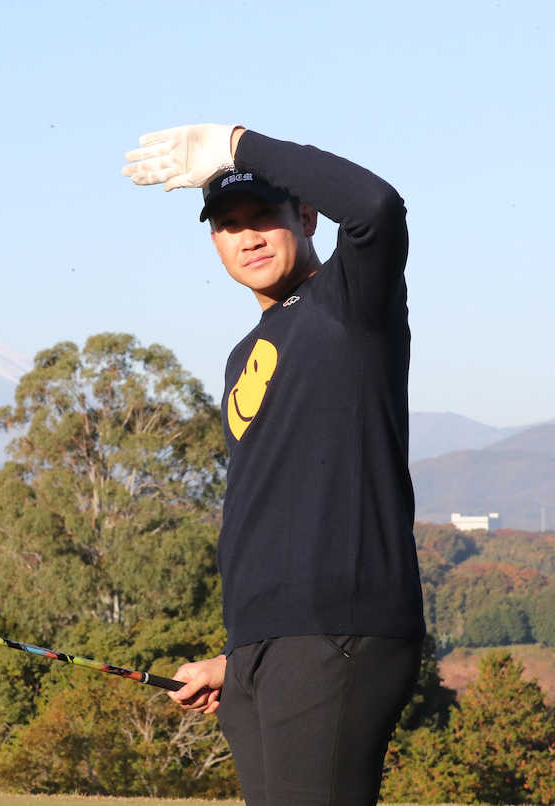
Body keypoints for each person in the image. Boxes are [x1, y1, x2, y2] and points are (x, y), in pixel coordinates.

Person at [123, 125, 426, 806]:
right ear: (214, 244)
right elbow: (277, 508)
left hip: (336, 632)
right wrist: (237, 658)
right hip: (262, 651)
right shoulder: (243, 356)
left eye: (265, 216)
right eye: (230, 225)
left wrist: (235, 145)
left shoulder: (349, 304)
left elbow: (377, 207)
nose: (249, 236)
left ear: (307, 217)